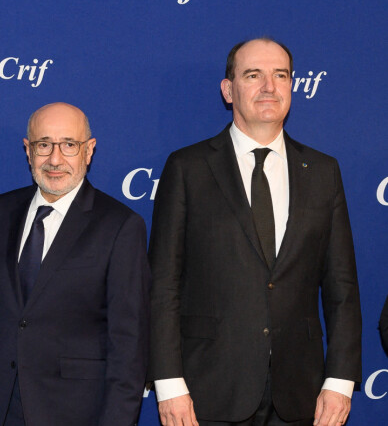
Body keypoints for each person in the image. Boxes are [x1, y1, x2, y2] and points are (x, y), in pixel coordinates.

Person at [148, 39, 361, 426]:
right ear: (228, 90)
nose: (269, 86)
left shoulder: (324, 171)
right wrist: (168, 383)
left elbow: (342, 288)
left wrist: (341, 381)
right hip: (206, 394)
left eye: (280, 75)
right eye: (253, 75)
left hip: (302, 395)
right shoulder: (187, 168)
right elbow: (163, 284)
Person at [0, 102, 150, 426]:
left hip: (78, 414)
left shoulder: (120, 226)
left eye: (69, 145)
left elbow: (129, 347)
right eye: (44, 145)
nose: (55, 159)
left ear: (89, 150)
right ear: (28, 151)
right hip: (1, 411)